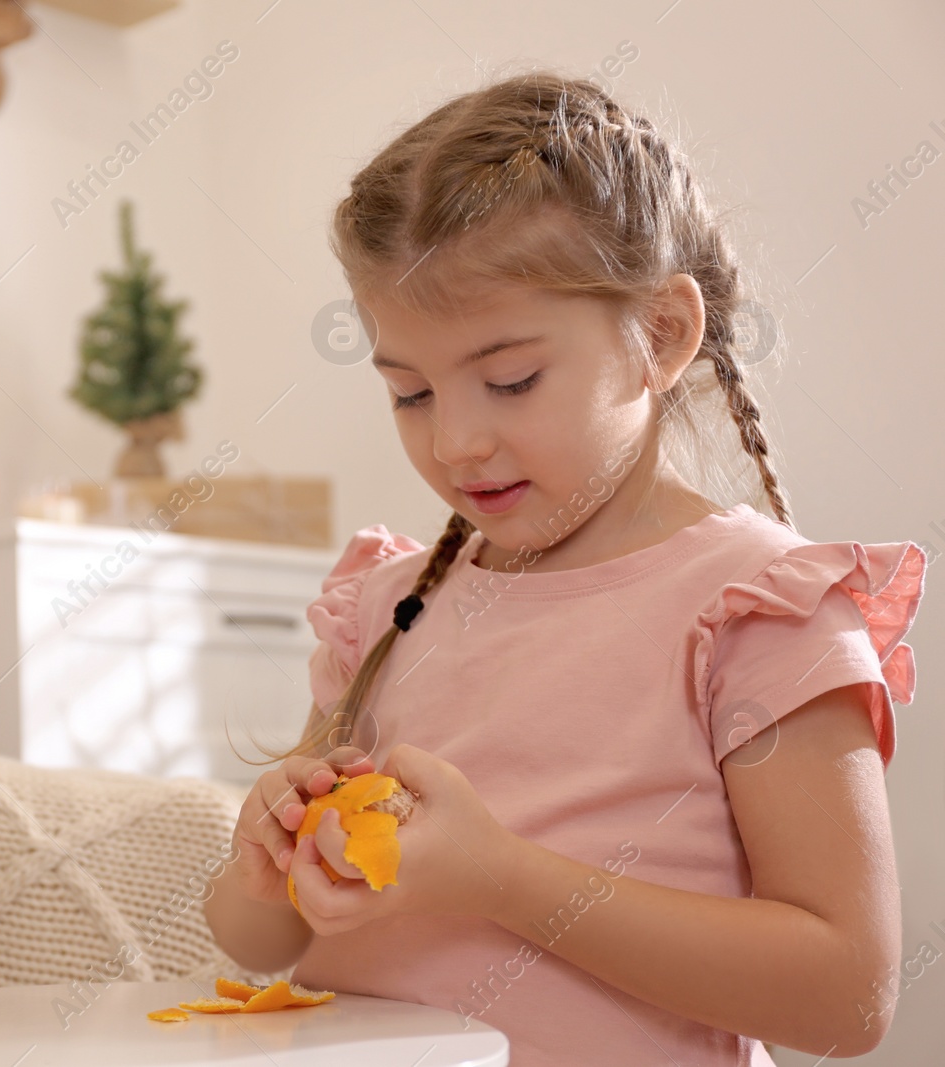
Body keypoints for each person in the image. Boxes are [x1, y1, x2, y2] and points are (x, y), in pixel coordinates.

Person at [203, 70, 927, 1066]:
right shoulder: (388, 606)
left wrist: (498, 876)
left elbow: (845, 996)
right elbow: (263, 941)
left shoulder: (757, 608)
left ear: (660, 336)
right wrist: (263, 865)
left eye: (509, 379)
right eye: (409, 392)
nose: (455, 440)